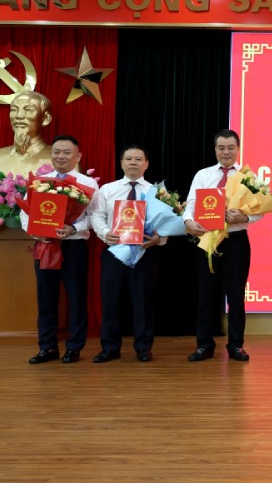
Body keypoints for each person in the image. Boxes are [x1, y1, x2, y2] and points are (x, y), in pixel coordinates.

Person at [183, 130, 260, 362]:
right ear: (215, 149)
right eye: (221, 148)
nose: (225, 152)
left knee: (236, 295)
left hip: (236, 241)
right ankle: (204, 345)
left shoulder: (249, 176)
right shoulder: (203, 175)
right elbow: (192, 203)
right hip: (207, 239)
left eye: (230, 148)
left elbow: (261, 209)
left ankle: (236, 345)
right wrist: (188, 222)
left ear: (238, 149)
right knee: (206, 294)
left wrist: (245, 219)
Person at [24, 135, 99, 364]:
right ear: (51, 154)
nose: (61, 156)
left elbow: (93, 217)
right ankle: (47, 347)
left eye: (67, 152)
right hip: (45, 246)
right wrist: (35, 231)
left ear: (78, 156)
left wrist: (73, 227)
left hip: (74, 245)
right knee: (46, 298)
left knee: (76, 297)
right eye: (57, 152)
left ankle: (74, 347)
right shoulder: (39, 181)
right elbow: (24, 212)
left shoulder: (88, 184)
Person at [90, 145, 164, 363]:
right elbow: (96, 215)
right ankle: (110, 348)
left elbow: (166, 223)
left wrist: (160, 239)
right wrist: (105, 233)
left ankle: (143, 347)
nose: (133, 162)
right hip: (114, 252)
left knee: (143, 302)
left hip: (143, 252)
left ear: (146, 164)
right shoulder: (107, 189)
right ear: (121, 163)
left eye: (138, 159)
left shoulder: (156, 192)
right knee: (110, 300)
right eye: (128, 158)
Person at [0, 91, 53, 177]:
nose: (19, 116)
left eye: (28, 109)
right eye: (14, 110)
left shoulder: (61, 162)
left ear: (46, 119)